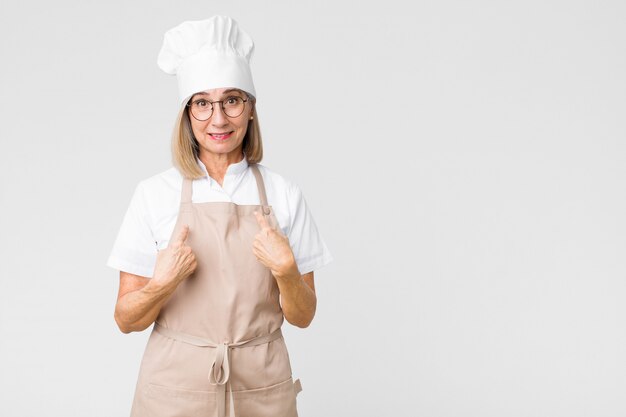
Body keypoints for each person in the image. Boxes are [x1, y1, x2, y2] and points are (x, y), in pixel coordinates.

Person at [106, 16, 333, 417]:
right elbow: (126, 320)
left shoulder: (284, 194)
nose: (219, 119)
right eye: (203, 103)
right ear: (188, 114)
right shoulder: (154, 194)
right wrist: (163, 284)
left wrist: (286, 271)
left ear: (250, 108)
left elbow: (304, 316)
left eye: (232, 100)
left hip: (261, 385)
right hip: (174, 389)